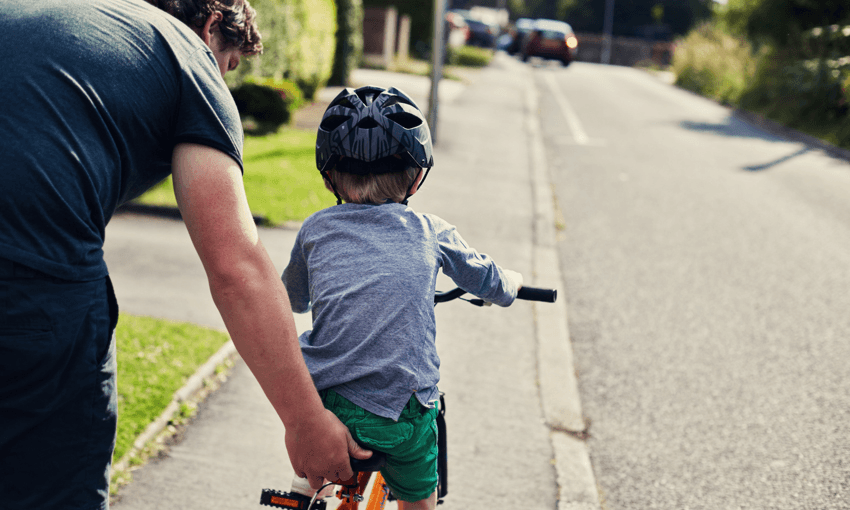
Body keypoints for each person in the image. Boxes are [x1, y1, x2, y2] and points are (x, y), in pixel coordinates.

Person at [0, 1, 367, 508]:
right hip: (30, 283)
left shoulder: (61, 16)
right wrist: (305, 421)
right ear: (213, 25)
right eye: (229, 66)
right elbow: (236, 267)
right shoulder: (187, 57)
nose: (224, 84)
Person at [281, 85, 523, 510]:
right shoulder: (431, 232)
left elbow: (294, 299)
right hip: (404, 415)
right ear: (416, 176)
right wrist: (511, 285)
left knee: (316, 435)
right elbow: (486, 279)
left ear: (328, 175)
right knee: (419, 494)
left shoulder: (315, 231)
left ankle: (307, 487)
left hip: (330, 407)